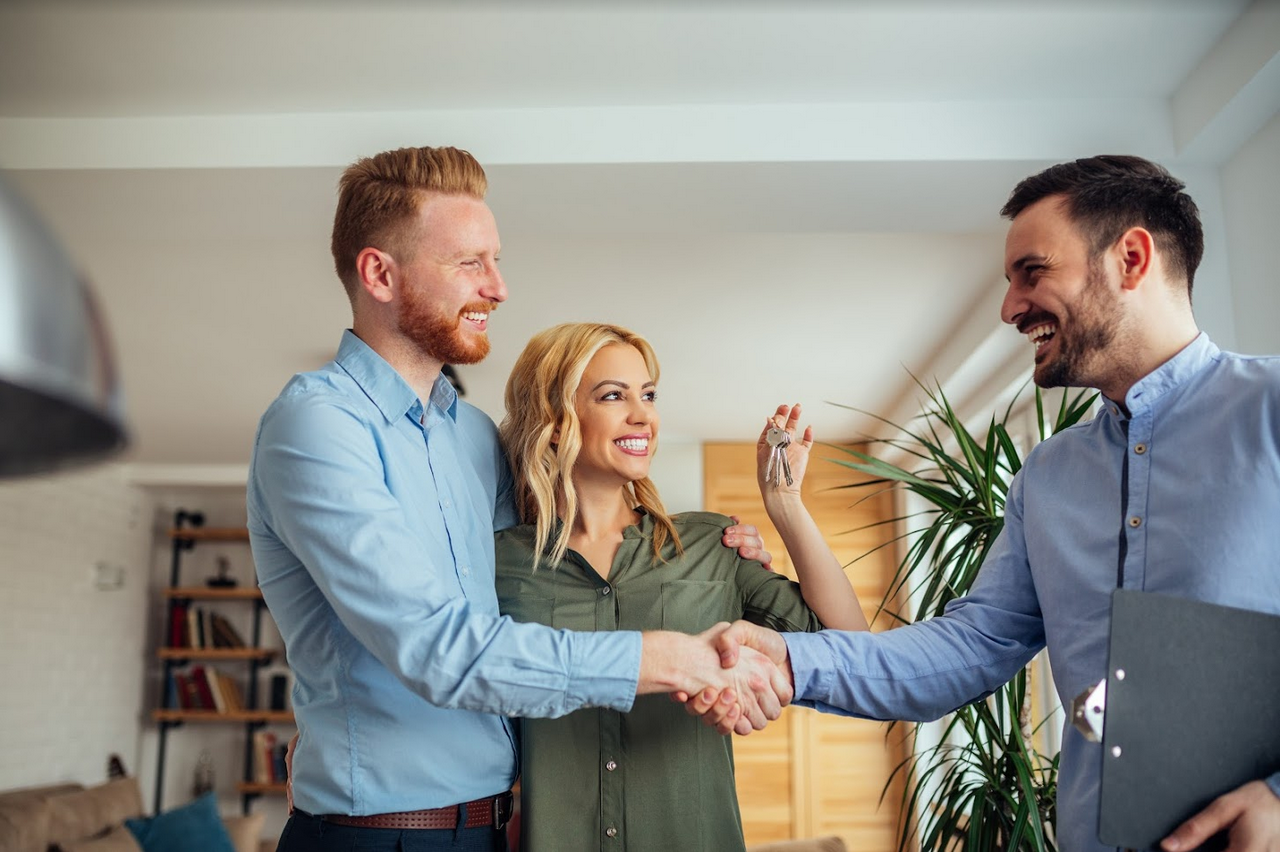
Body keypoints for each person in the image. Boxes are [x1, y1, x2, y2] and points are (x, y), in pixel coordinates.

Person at [692, 155, 1280, 852]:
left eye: (1032, 272)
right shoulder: (1049, 477)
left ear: (1130, 257)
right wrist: (788, 662)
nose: (1009, 308)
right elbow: (971, 646)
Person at [246, 145, 792, 852]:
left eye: (495, 260)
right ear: (380, 273)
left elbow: (550, 583)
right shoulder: (314, 426)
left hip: (495, 830)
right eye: (469, 263)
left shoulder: (474, 439)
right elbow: (438, 651)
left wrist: (726, 548)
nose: (498, 288)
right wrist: (670, 659)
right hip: (377, 837)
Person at [494, 322, 868, 851]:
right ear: (555, 423)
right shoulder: (500, 562)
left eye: (647, 395)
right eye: (613, 396)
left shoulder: (713, 544)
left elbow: (851, 646)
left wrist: (784, 502)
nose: (643, 414)